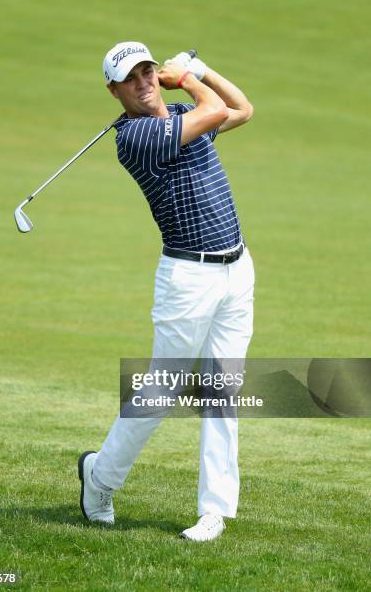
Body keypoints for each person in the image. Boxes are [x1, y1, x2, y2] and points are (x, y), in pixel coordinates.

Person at [78, 41, 255, 542]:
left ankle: (214, 511)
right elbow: (216, 109)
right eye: (130, 78)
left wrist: (203, 70)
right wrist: (190, 76)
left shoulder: (183, 114)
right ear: (114, 91)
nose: (144, 82)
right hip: (188, 279)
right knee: (161, 391)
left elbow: (241, 109)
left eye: (149, 71)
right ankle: (99, 480)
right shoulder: (136, 137)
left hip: (236, 269)